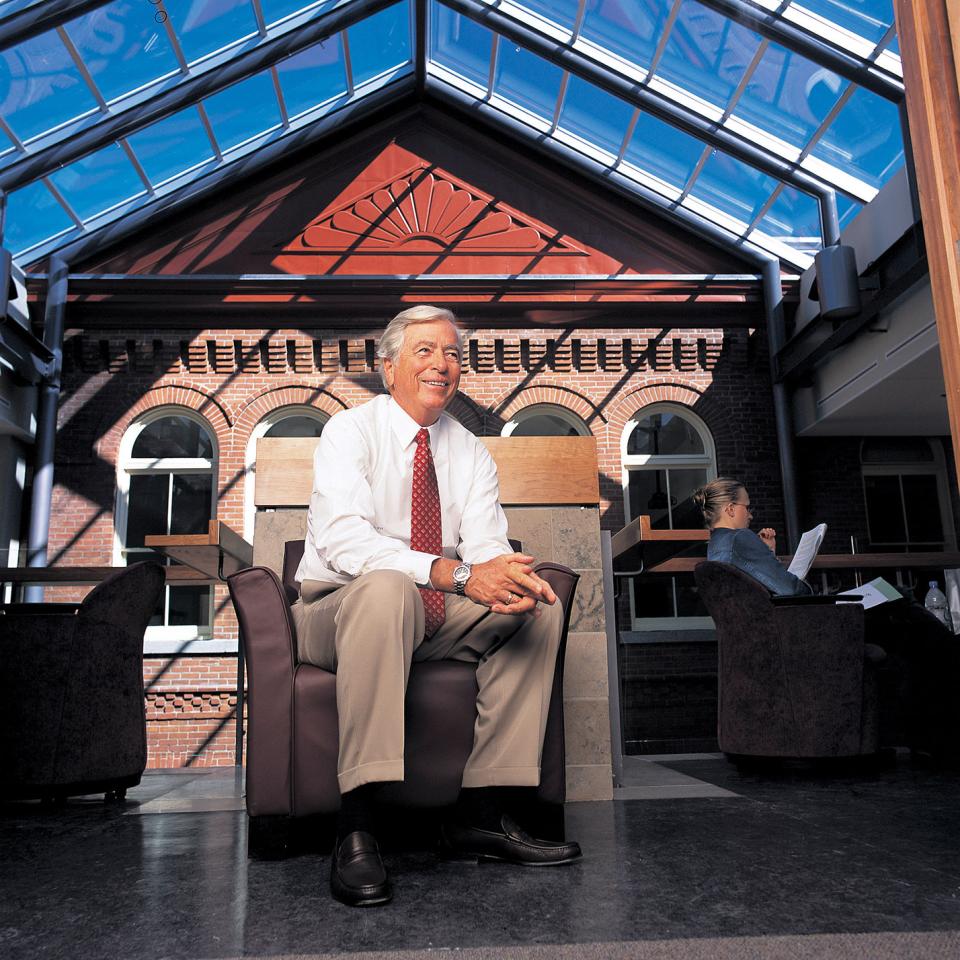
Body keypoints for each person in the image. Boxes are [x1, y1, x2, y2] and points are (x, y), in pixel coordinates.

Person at [293, 305, 582, 908]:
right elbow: (345, 542)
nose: (442, 363)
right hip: (338, 609)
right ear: (388, 367)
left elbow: (485, 546)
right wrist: (453, 572)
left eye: (452, 353)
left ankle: (482, 811)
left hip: (429, 610)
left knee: (536, 605)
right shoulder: (349, 432)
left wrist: (502, 573)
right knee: (385, 585)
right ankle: (357, 826)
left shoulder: (470, 450)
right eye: (425, 350)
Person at [692, 477, 960, 763]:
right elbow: (793, 590)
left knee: (901, 632)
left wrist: (767, 557)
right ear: (731, 509)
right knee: (899, 602)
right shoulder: (740, 539)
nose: (751, 514)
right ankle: (941, 701)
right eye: (747, 507)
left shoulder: (716, 549)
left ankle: (928, 727)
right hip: (808, 630)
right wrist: (786, 571)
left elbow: (760, 592)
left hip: (784, 635)